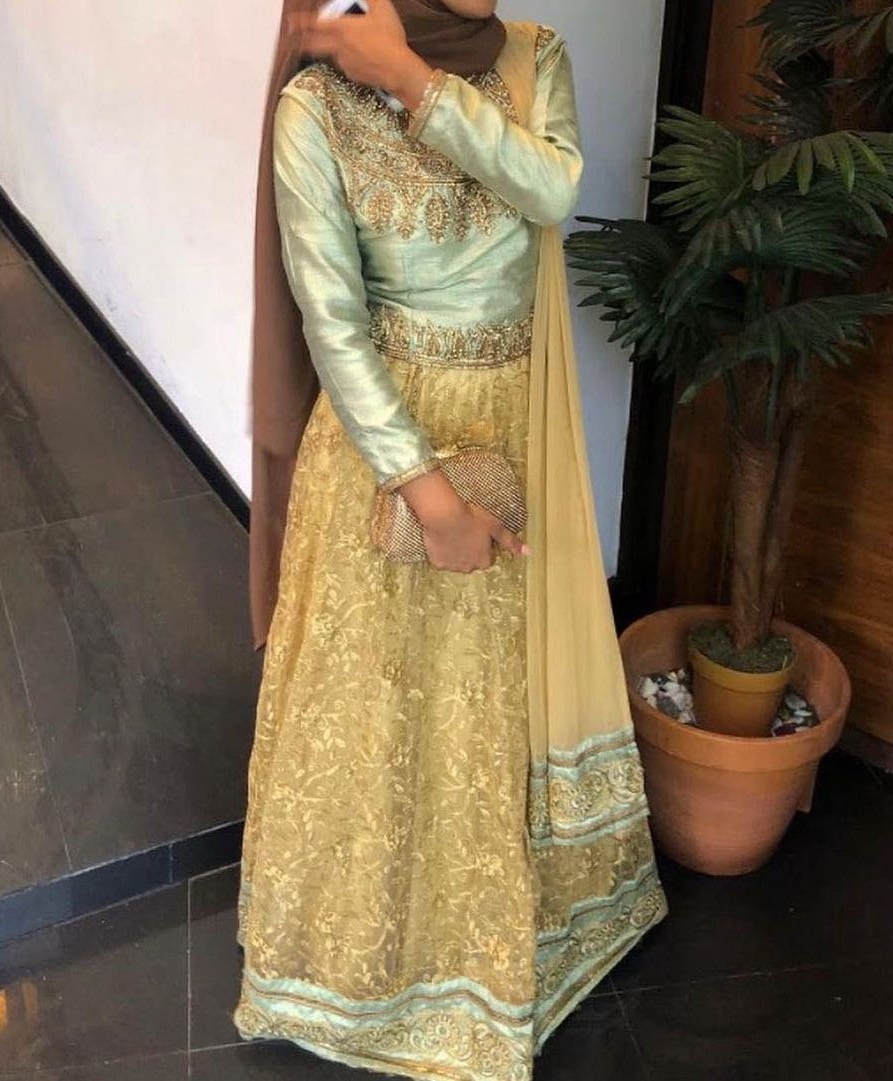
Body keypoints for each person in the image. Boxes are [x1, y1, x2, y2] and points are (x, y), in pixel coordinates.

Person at [239, 2, 666, 1079]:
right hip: (386, 449)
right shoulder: (314, 105)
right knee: (383, 705)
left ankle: (493, 947)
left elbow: (553, 192)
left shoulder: (533, 60)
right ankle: (371, 974)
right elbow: (333, 325)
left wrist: (414, 81)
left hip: (515, 427)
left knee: (486, 699)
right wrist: (431, 499)